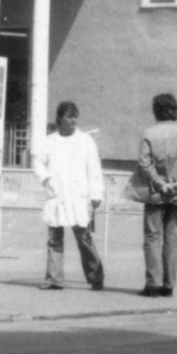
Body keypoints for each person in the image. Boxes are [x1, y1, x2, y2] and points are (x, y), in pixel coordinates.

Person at [127, 93, 177, 297]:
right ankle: (168, 285)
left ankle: (153, 284)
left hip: (155, 193)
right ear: (174, 110)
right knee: (172, 238)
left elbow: (145, 163)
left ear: (156, 110)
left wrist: (160, 183)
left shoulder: (149, 134)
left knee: (152, 237)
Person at [33, 101, 105, 291]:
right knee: (54, 238)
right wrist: (46, 179)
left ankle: (96, 276)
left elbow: (94, 169)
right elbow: (38, 163)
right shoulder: (49, 141)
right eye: (69, 116)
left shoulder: (85, 141)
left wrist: (96, 193)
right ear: (60, 119)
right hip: (57, 196)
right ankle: (54, 279)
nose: (73, 120)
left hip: (78, 197)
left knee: (84, 239)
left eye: (75, 116)